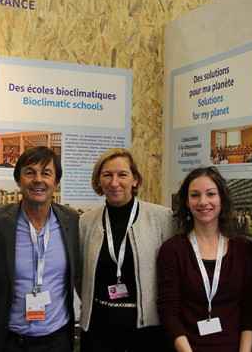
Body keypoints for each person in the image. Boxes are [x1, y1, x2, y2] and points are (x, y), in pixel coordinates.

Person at [0, 146, 81, 352]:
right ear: (18, 180)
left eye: (46, 173)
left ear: (56, 182)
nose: (38, 179)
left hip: (57, 340)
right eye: (30, 172)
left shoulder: (71, 220)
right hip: (10, 341)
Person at [79, 148, 176, 351]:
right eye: (107, 175)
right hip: (99, 328)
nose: (114, 182)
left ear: (135, 179)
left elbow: (173, 274)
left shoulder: (161, 218)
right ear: (98, 181)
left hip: (147, 331)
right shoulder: (86, 222)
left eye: (122, 174)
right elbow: (80, 274)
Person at [157, 166, 252, 352]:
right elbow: (168, 311)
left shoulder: (243, 248)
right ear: (187, 202)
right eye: (195, 195)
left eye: (211, 194)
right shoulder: (172, 250)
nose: (203, 202)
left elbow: (250, 308)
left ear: (222, 199)